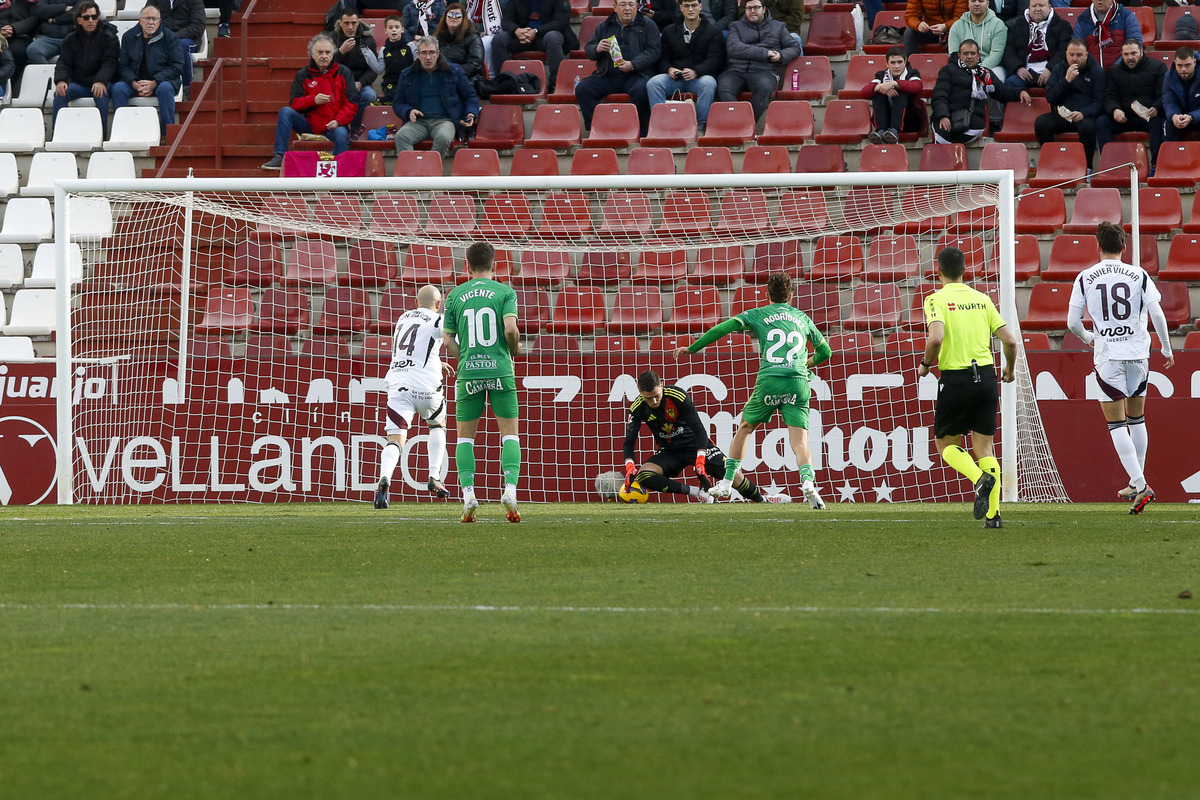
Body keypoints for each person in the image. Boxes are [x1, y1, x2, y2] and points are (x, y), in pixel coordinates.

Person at [673, 271, 831, 510]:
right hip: (798, 382)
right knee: (799, 441)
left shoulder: (757, 314)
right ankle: (808, 483)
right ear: (791, 295)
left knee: (745, 428)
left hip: (770, 380)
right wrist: (803, 364)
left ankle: (726, 483)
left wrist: (694, 348)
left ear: (767, 295)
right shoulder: (803, 318)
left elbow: (722, 329)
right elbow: (826, 353)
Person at [1067, 222, 1174, 515]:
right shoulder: (1138, 274)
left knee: (1116, 424)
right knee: (1137, 419)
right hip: (1139, 353)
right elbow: (1157, 312)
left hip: (1109, 355)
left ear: (1097, 247)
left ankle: (1141, 485)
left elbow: (1072, 322)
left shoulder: (1085, 277)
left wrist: (1089, 337)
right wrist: (1166, 347)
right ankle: (1134, 481)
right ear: (1124, 248)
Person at [918, 246, 1017, 529]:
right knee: (984, 447)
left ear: (938, 271)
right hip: (986, 379)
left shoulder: (936, 299)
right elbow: (1010, 341)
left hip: (956, 379)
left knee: (946, 443)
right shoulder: (982, 299)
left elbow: (936, 338)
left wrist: (926, 364)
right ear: (964, 271)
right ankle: (994, 516)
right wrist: (1009, 368)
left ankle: (978, 480)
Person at [442, 242, 522, 524]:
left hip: (468, 373)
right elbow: (510, 328)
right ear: (494, 264)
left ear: (467, 265)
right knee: (509, 435)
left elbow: (447, 339)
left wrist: (464, 357)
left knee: (465, 437)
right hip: (500, 369)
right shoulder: (505, 292)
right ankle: (509, 490)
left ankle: (468, 496)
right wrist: (514, 350)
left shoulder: (454, 295)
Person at [620, 371, 767, 505]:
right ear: (640, 392)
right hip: (670, 451)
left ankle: (763, 501)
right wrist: (630, 467)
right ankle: (697, 493)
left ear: (662, 385)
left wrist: (700, 460)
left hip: (695, 445)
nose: (654, 402)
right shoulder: (637, 408)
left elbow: (700, 431)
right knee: (644, 475)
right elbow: (629, 443)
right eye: (648, 398)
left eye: (656, 396)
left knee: (734, 477)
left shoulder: (677, 396)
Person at [375, 284, 455, 510]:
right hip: (426, 386)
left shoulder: (402, 319)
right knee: (438, 425)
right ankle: (434, 476)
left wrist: (437, 361)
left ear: (415, 302)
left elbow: (412, 347)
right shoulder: (438, 320)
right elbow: (447, 337)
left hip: (399, 383)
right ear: (438, 305)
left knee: (395, 440)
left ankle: (385, 479)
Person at [261, 33, 359, 170]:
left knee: (341, 134)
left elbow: (351, 103)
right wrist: (313, 100)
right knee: (285, 112)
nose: (324, 56)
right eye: (320, 52)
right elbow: (294, 103)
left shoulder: (344, 73)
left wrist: (338, 121)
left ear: (333, 54)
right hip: (310, 125)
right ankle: (280, 155)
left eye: (327, 52)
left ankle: (337, 170)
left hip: (334, 125)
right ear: (312, 54)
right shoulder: (304, 74)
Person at [577, 0, 661, 138]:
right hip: (608, 75)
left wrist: (633, 64)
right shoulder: (604, 26)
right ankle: (598, 129)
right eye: (622, 4)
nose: (627, 8)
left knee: (642, 90)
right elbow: (589, 50)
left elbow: (654, 51)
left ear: (637, 7)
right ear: (615, 7)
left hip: (637, 75)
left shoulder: (648, 25)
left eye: (631, 4)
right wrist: (596, 48)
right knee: (583, 89)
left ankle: (633, 129)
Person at [392, 35, 479, 156]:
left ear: (438, 53)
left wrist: (471, 113)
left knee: (443, 137)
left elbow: (470, 96)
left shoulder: (454, 71)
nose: (428, 57)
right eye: (424, 53)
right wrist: (409, 111)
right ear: (418, 54)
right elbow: (398, 103)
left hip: (445, 121)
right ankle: (412, 173)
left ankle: (431, 172)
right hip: (418, 122)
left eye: (432, 52)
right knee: (401, 136)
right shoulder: (407, 74)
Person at [931, 38, 1030, 144]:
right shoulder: (948, 70)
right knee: (943, 136)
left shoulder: (985, 74)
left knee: (978, 128)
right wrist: (943, 116)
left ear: (978, 56)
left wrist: (1020, 92)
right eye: (965, 53)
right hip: (948, 116)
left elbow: (1002, 91)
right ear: (959, 56)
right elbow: (939, 95)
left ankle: (950, 144)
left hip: (971, 119)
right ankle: (948, 145)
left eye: (972, 53)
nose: (969, 56)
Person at [646, 0, 724, 133]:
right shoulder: (669, 30)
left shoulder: (714, 31)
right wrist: (669, 69)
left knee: (709, 82)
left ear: (700, 7)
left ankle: (701, 126)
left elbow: (715, 60)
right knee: (653, 83)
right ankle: (661, 125)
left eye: (694, 5)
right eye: (687, 6)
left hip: (699, 78)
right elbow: (663, 58)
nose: (691, 9)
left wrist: (696, 72)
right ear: (681, 8)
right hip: (675, 78)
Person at [716, 0, 800, 121]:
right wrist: (765, 53)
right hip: (736, 71)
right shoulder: (735, 26)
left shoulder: (778, 26)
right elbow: (734, 48)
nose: (752, 11)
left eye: (756, 7)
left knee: (765, 87)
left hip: (764, 71)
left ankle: (748, 124)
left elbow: (794, 47)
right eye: (749, 8)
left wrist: (781, 55)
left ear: (764, 9)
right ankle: (737, 121)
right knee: (723, 87)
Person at [111, 5, 187, 137]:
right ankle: (123, 131)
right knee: (118, 88)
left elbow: (177, 66)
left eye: (154, 19)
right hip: (135, 81)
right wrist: (134, 82)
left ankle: (167, 133)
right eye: (147, 19)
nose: (151, 22)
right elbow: (123, 65)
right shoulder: (129, 37)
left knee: (165, 89)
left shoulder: (170, 37)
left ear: (160, 21)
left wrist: (155, 82)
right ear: (140, 20)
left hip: (162, 81)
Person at [1034, 38, 1104, 169]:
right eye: (1071, 55)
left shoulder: (1097, 72)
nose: (1075, 59)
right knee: (1041, 122)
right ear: (1066, 54)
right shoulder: (1058, 69)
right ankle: (1051, 163)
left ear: (1086, 55)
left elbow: (1099, 102)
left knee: (1088, 127)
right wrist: (1067, 80)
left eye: (1079, 55)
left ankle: (1087, 167)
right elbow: (1051, 97)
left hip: (1084, 116)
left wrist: (1083, 113)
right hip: (1062, 115)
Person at [51, 2, 119, 136]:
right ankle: (57, 134)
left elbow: (110, 62)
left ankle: (102, 135)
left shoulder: (109, 37)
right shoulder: (70, 39)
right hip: (80, 84)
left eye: (94, 17)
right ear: (79, 20)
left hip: (101, 82)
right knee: (60, 93)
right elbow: (63, 62)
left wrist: (100, 81)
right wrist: (61, 80)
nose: (91, 20)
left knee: (101, 93)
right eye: (87, 17)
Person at [1096, 38, 1165, 169]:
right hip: (1124, 116)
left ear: (1141, 51)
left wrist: (1156, 107)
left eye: (1133, 53)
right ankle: (1108, 165)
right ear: (1121, 54)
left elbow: (1163, 94)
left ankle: (1156, 165)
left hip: (1148, 115)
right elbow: (1109, 96)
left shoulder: (1158, 67)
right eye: (1126, 54)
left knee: (1158, 122)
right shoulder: (1113, 71)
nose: (1130, 57)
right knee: (1102, 122)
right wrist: (1115, 110)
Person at [490, 0, 575, 85]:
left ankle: (556, 84)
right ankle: (505, 82)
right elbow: (507, 20)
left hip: (545, 35)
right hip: (523, 37)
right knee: (499, 39)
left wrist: (537, 31)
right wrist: (516, 30)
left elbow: (561, 22)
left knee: (553, 38)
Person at [1001, 0, 1072, 92]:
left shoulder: (1063, 25)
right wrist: (1018, 68)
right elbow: (1009, 50)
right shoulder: (1018, 24)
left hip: (1052, 74)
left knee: (1063, 86)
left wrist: (1050, 69)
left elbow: (1063, 51)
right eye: (1034, 6)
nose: (1037, 9)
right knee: (1010, 83)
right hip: (1025, 74)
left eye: (1041, 6)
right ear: (1029, 8)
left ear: (1049, 7)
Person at [861, 45, 924, 143]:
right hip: (887, 119)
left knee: (901, 91)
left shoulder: (912, 73)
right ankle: (881, 131)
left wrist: (895, 83)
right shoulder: (881, 75)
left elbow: (917, 87)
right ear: (887, 64)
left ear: (905, 62)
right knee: (878, 92)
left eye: (900, 62)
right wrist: (879, 87)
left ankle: (894, 131)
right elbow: (864, 92)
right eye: (893, 62)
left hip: (909, 120)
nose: (897, 66)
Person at [331, 8, 380, 130]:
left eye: (354, 23)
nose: (350, 27)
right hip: (338, 83)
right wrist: (341, 52)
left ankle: (353, 127)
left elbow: (373, 69)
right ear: (340, 23)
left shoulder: (368, 39)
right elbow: (326, 68)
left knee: (370, 95)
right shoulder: (332, 39)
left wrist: (361, 83)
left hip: (360, 82)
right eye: (346, 23)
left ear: (359, 22)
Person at [146, 0, 205, 100]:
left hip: (187, 38)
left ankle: (188, 86)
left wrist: (173, 37)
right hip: (162, 37)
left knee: (181, 46)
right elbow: (147, 18)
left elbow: (198, 26)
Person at [1072, 0, 1140, 71]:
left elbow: (1135, 46)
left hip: (1122, 72)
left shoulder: (1126, 15)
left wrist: (1116, 69)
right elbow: (1077, 49)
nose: (1099, 0)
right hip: (1092, 74)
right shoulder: (1082, 19)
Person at [948, 0, 1009, 80]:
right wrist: (968, 70)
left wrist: (979, 69)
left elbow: (996, 54)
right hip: (963, 67)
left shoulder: (998, 25)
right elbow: (954, 54)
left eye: (981, 1)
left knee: (995, 77)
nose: (977, 4)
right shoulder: (957, 26)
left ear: (987, 3)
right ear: (968, 4)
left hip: (992, 67)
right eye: (973, 1)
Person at [435, 2, 485, 92]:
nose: (453, 17)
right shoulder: (437, 38)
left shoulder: (473, 38)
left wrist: (451, 71)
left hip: (467, 78)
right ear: (445, 18)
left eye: (458, 15)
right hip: (441, 77)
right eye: (450, 14)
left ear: (463, 19)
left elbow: (475, 65)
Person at [903, 0, 967, 59]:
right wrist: (918, 25)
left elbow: (961, 17)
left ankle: (957, 65)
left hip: (952, 30)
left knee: (963, 32)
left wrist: (945, 26)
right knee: (909, 33)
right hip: (929, 29)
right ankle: (912, 66)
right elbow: (911, 15)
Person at [1162, 46, 1200, 142]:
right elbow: (1169, 102)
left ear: (1194, 62)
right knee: (1168, 123)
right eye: (1179, 65)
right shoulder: (1169, 77)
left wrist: (1192, 117)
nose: (1183, 69)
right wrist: (1174, 115)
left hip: (1197, 116)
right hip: (1180, 117)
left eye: (1187, 65)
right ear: (1175, 63)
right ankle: (1169, 156)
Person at [379, 13, 414, 102]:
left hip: (409, 81)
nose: (394, 30)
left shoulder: (411, 46)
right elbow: (379, 69)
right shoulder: (383, 50)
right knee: (394, 96)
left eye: (397, 27)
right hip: (390, 83)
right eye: (390, 28)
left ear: (402, 29)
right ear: (385, 30)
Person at [0, 0, 37, 74]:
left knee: (18, 51)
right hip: (0, 33)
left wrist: (14, 28)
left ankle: (11, 83)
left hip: (20, 34)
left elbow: (35, 18)